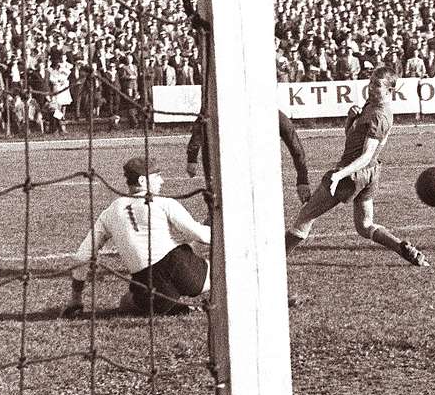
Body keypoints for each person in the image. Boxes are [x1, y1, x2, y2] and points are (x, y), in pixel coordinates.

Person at [284, 66, 430, 267]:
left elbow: (366, 154)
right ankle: (401, 247)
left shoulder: (380, 115)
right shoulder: (373, 105)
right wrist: (350, 120)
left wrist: (338, 175)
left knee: (305, 216)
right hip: (370, 174)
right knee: (364, 225)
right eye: (370, 82)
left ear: (390, 91)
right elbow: (353, 140)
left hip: (352, 174)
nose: (370, 88)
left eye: (377, 85)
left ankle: (274, 261)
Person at [62, 157, 211, 317]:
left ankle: (174, 306)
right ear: (142, 180)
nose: (162, 181)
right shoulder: (163, 202)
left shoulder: (109, 212)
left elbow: (81, 256)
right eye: (157, 176)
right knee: (221, 271)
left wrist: (76, 298)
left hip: (148, 284)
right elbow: (201, 235)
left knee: (126, 303)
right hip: (183, 270)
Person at [185, 109, 312, 205]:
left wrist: (302, 179)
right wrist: (192, 158)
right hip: (233, 169)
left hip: (260, 173)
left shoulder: (271, 113)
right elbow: (201, 125)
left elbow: (294, 145)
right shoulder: (228, 108)